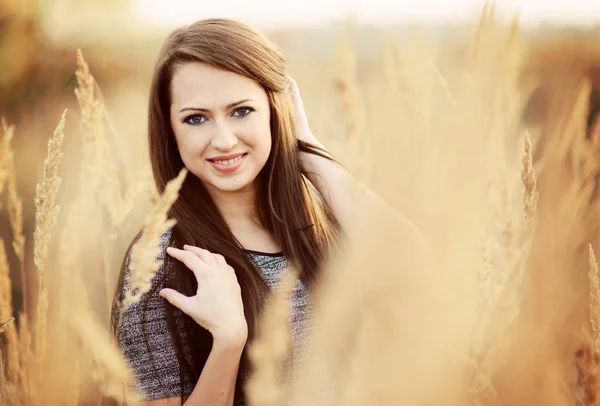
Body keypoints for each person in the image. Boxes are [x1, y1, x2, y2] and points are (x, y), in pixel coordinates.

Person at [111, 17, 423, 406]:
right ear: (171, 131)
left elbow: (413, 265)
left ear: (276, 111)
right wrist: (228, 341)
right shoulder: (160, 261)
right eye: (196, 118)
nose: (224, 141)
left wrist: (306, 150)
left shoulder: (320, 222)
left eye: (241, 111)